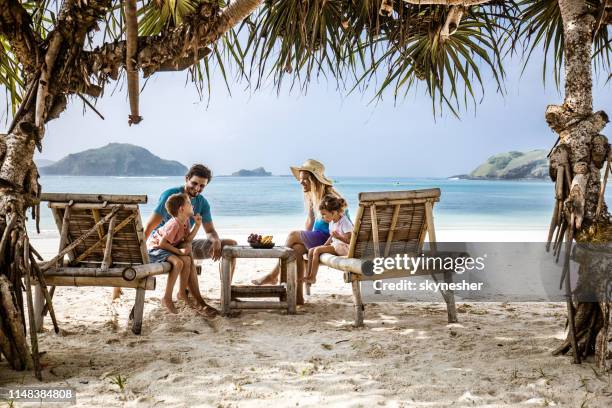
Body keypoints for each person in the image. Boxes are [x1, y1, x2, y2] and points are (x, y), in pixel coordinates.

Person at [143, 164, 237, 311]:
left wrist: (216, 240)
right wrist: (139, 254)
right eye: (194, 183)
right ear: (186, 179)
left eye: (202, 186)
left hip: (183, 241)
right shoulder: (172, 196)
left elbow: (210, 230)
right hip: (163, 246)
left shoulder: (202, 203)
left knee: (230, 245)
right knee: (188, 250)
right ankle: (199, 301)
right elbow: (149, 226)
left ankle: (226, 293)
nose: (197, 188)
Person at [252, 159, 345, 304]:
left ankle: (274, 274)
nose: (301, 182)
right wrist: (302, 238)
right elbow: (310, 221)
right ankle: (298, 297)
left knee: (291, 235)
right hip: (318, 237)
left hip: (330, 239)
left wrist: (299, 236)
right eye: (300, 180)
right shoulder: (312, 195)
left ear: (315, 180)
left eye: (305, 180)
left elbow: (341, 223)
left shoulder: (330, 198)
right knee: (296, 248)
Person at [146, 193, 201, 314]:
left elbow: (187, 240)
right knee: (178, 263)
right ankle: (167, 297)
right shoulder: (174, 224)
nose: (192, 206)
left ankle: (182, 293)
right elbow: (161, 243)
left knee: (186, 260)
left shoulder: (186, 220)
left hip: (165, 248)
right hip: (155, 249)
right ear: (182, 209)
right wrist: (179, 251)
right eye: (189, 204)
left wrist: (197, 226)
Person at [304, 196, 353, 285]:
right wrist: (324, 245)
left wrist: (339, 238)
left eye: (324, 214)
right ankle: (308, 275)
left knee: (317, 251)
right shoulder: (332, 222)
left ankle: (313, 277)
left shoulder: (344, 222)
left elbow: (351, 241)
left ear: (333, 213)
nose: (322, 217)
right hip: (337, 245)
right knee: (311, 250)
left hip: (344, 248)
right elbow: (331, 237)